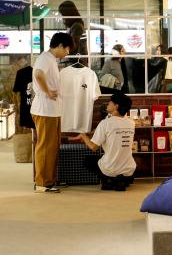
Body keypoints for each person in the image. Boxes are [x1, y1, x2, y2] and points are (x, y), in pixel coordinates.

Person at [31, 32, 73, 193]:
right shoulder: (44, 58)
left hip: (52, 111)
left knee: (53, 146)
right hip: (45, 110)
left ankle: (49, 180)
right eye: (68, 49)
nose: (68, 53)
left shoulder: (50, 60)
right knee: (45, 146)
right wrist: (47, 91)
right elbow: (38, 74)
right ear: (61, 45)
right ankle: (42, 182)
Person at [70, 92, 136, 191]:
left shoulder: (106, 123)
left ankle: (109, 180)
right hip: (129, 170)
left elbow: (93, 147)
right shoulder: (131, 123)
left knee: (88, 160)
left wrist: (83, 136)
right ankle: (120, 180)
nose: (108, 104)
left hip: (110, 168)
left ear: (116, 106)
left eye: (110, 102)